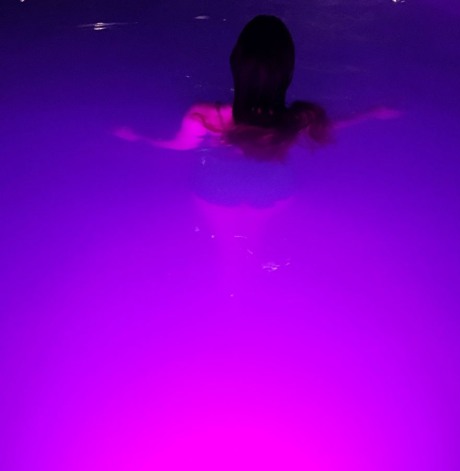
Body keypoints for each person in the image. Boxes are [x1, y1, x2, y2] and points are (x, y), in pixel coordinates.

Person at [115, 15, 399, 287]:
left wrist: (138, 138)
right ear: (287, 70)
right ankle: (257, 291)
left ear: (237, 63)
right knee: (255, 244)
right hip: (272, 187)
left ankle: (231, 301)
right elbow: (332, 126)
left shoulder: (206, 115)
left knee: (227, 252)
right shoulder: (298, 117)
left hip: (219, 187)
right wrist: (372, 113)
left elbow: (180, 146)